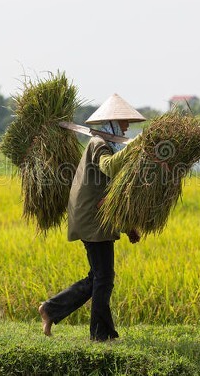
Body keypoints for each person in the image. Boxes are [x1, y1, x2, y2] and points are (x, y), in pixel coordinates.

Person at [38, 94, 146, 341]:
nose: (127, 126)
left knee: (97, 276)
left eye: (128, 122)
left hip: (96, 218)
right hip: (91, 219)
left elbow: (113, 194)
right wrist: (136, 147)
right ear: (111, 123)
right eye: (123, 122)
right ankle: (100, 335)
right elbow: (109, 167)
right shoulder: (99, 144)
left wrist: (129, 228)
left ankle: (51, 309)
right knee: (104, 278)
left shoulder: (108, 145)